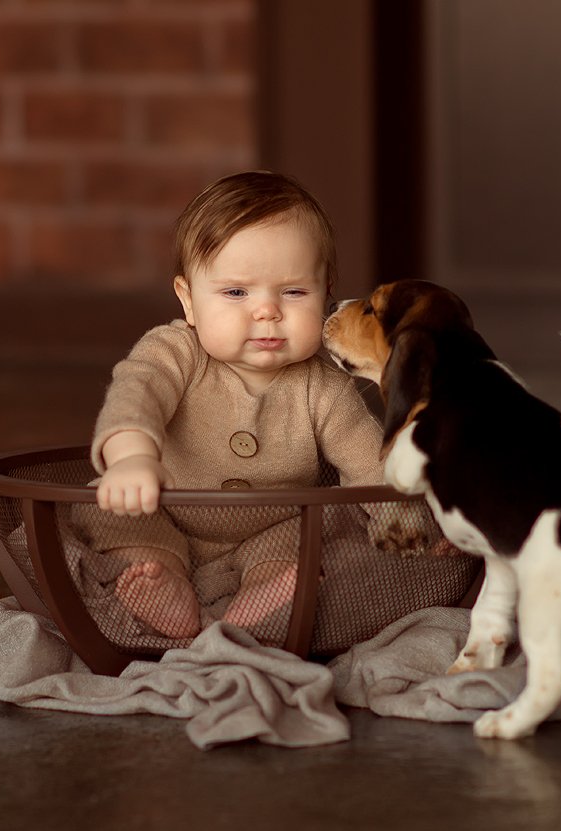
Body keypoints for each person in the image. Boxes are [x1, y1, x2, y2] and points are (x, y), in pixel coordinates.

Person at [83, 171, 395, 643]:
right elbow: (136, 394)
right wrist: (131, 459)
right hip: (162, 508)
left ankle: (265, 592)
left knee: (320, 532)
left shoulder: (322, 383)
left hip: (273, 528)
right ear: (188, 301)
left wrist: (406, 517)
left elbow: (367, 457)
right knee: (107, 509)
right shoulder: (174, 352)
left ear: (327, 292)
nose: (266, 311)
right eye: (235, 293)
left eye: (294, 292)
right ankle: (159, 572)